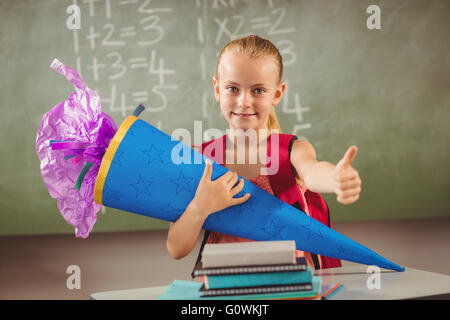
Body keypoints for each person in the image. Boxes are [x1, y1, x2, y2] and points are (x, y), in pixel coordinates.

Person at [166, 35, 362, 271]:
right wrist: (200, 206)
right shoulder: (201, 160)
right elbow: (176, 249)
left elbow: (312, 172)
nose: (244, 101)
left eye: (258, 90)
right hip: (226, 289)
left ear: (277, 94)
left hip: (292, 287)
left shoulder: (291, 151)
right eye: (232, 89)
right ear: (217, 89)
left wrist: (335, 179)